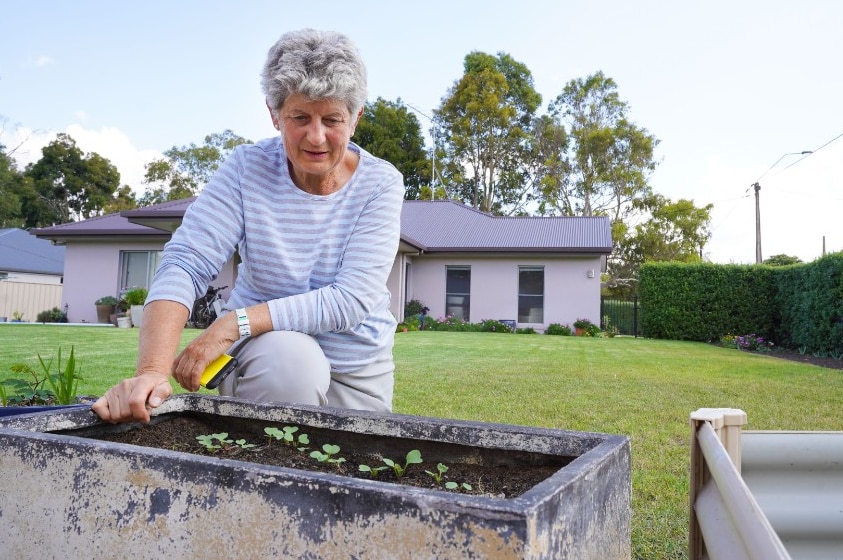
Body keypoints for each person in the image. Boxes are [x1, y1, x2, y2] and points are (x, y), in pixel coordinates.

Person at [92, 29, 404, 423]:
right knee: (292, 360)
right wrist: (152, 371)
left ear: (356, 118)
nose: (316, 136)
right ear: (274, 115)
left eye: (332, 119)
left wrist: (233, 322)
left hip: (355, 367)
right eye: (300, 117)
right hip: (270, 360)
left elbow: (351, 299)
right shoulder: (246, 168)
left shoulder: (380, 183)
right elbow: (186, 263)